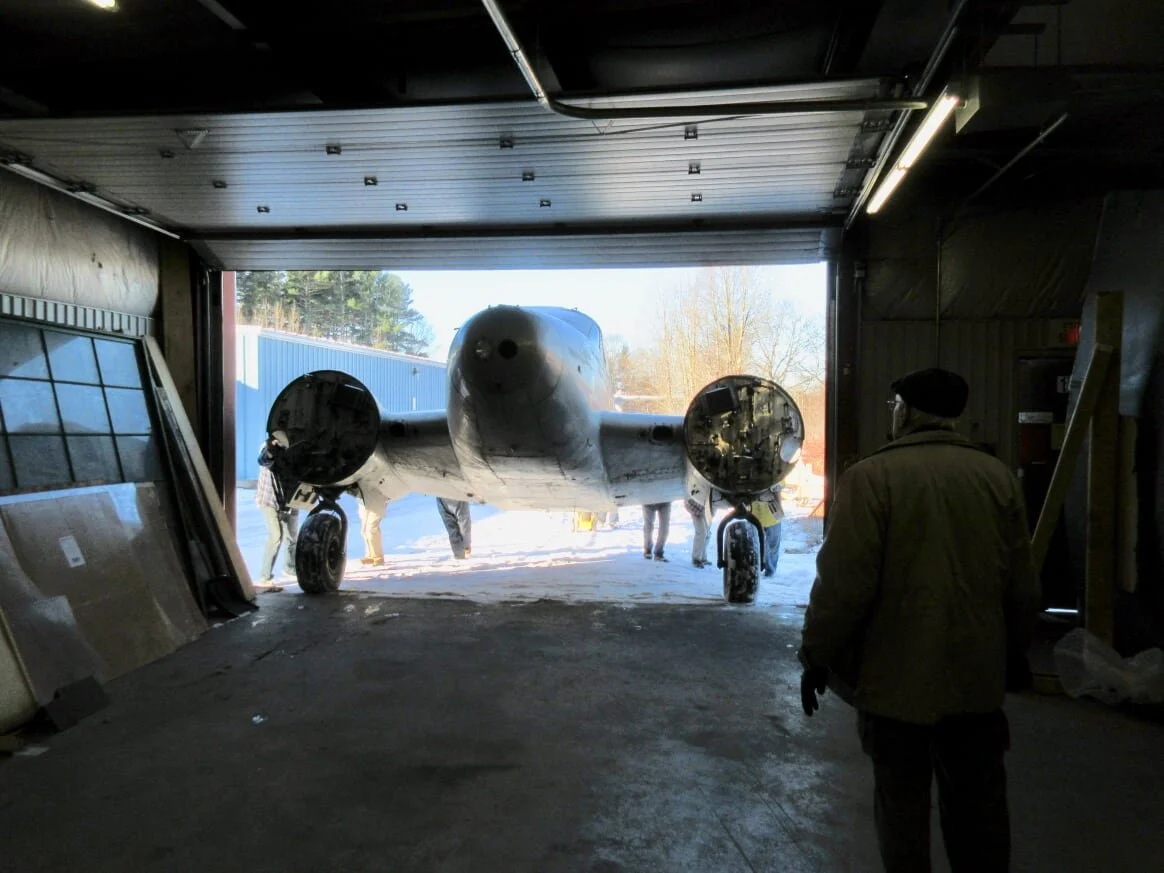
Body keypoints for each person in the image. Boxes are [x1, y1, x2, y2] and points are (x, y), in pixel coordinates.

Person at [798, 368, 1040, 873]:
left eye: (894, 406)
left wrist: (816, 656)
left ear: (906, 411)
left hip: (895, 689)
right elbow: (1020, 584)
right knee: (980, 816)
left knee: (902, 813)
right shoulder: (995, 478)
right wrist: (1014, 654)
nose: (892, 414)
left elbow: (842, 586)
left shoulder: (871, 479)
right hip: (975, 685)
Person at [255, 432, 299, 584]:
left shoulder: (293, 451)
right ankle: (264, 576)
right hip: (269, 500)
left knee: (292, 536)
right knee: (276, 537)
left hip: (288, 500)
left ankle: (290, 568)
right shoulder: (268, 449)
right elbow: (263, 459)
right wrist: (271, 449)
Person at [748, 487, 784, 577]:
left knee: (772, 546)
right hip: (756, 513)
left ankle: (770, 571)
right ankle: (758, 569)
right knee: (755, 545)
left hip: (772, 513)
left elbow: (779, 485)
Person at [353, 484, 387, 566]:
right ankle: (370, 556)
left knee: (371, 529)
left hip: (378, 500)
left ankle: (378, 558)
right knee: (364, 530)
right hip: (363, 500)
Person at [685, 495, 711, 568]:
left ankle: (703, 557)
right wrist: (696, 511)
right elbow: (687, 501)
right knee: (701, 532)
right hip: (696, 511)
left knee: (708, 534)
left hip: (705, 511)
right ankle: (696, 559)